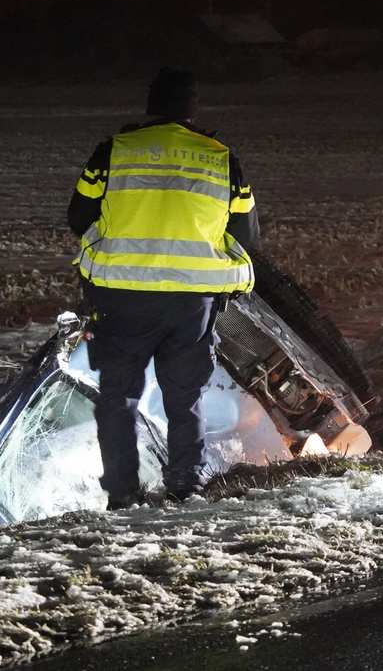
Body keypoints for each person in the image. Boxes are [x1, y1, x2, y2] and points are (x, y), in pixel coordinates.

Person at [68, 67, 259, 509]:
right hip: (191, 302)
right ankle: (184, 487)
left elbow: (78, 217)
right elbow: (246, 236)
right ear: (193, 109)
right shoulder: (221, 157)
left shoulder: (112, 151)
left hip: (121, 296)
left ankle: (122, 493)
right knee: (184, 396)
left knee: (118, 396)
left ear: (150, 104)